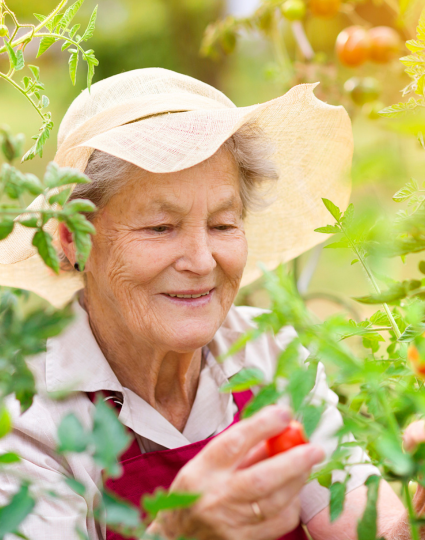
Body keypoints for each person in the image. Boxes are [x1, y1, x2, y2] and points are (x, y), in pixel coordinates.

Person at [0, 68, 414, 540]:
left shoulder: (273, 354)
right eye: (160, 227)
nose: (201, 261)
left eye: (222, 225)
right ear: (74, 241)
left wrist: (416, 518)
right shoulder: (27, 418)